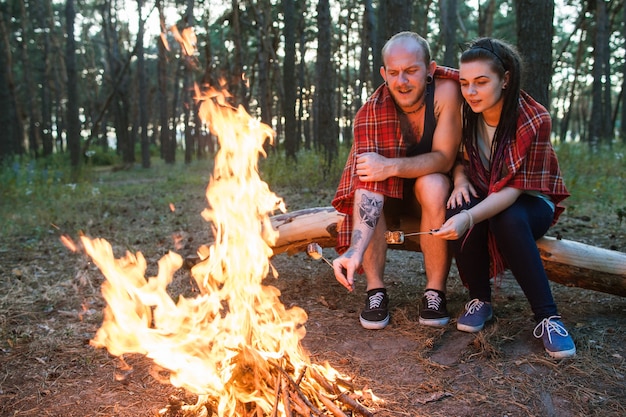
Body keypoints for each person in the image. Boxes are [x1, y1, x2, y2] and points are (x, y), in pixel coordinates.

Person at [433, 38, 576, 359]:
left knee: (505, 217)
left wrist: (469, 218)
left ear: (505, 79)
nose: (471, 92)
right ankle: (480, 299)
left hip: (530, 201)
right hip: (486, 191)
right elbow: (460, 159)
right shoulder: (468, 112)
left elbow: (512, 190)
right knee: (458, 202)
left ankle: (548, 317)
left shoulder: (533, 119)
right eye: (465, 83)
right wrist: (458, 181)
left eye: (481, 82)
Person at [331, 31, 462, 330]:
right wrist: (354, 252)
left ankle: (435, 291)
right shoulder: (372, 112)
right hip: (387, 196)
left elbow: (443, 158)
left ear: (429, 69)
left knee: (433, 183)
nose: (402, 81)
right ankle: (375, 290)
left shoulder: (446, 93)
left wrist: (389, 166)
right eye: (394, 73)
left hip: (429, 195)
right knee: (370, 194)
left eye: (412, 71)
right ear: (384, 74)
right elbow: (368, 186)